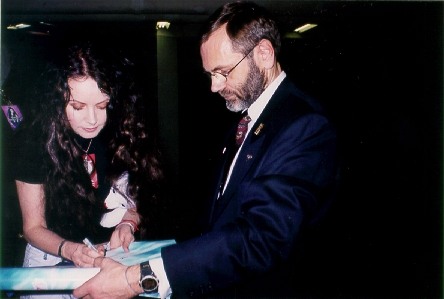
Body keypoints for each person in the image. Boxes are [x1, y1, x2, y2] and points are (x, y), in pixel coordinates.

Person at [73, 2, 340, 298]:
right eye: (210, 74)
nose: (215, 86)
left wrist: (139, 277)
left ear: (264, 53)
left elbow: (263, 237)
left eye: (223, 72)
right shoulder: (249, 119)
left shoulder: (305, 125)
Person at [13, 41, 164, 298]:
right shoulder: (35, 143)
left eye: (102, 106)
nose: (93, 120)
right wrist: (71, 251)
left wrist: (128, 223)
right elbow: (33, 227)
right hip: (52, 257)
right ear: (57, 100)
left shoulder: (122, 133)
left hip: (112, 257)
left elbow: (141, 199)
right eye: (78, 107)